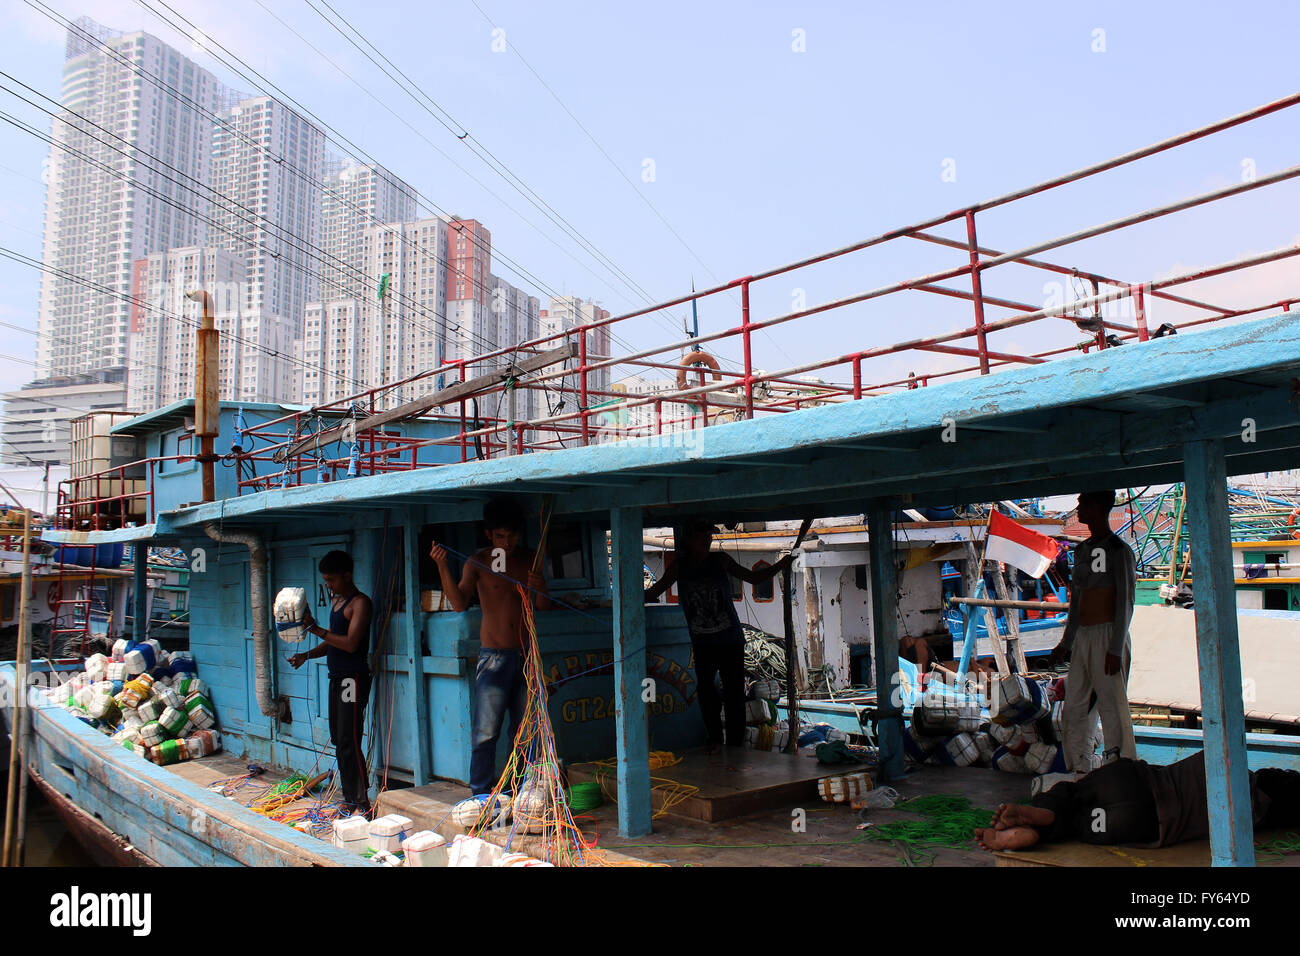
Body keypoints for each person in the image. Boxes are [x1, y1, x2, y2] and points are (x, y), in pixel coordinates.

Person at [645, 518, 811, 752]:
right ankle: (714, 738)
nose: (708, 540)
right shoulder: (679, 567)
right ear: (690, 541)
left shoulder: (720, 560)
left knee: (733, 692)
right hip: (702, 641)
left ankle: (735, 743)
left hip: (730, 639)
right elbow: (654, 591)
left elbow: (754, 578)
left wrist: (780, 565)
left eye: (709, 536)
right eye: (703, 536)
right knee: (705, 690)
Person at [429, 498, 551, 811]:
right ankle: (481, 795)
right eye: (500, 537)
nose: (506, 543)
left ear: (519, 534)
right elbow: (458, 603)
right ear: (489, 535)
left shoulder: (530, 559)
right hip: (494, 656)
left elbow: (543, 607)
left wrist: (541, 587)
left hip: (527, 657)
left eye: (511, 536)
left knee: (524, 730)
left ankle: (519, 792)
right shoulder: (477, 562)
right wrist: (442, 564)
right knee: (485, 731)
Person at [974, 752, 1300, 852]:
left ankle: (1042, 817)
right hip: (1137, 791)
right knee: (1076, 799)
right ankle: (1042, 814)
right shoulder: (1260, 793)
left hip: (1129, 809)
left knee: (1074, 810)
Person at [1048, 489, 1137, 773]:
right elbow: (1079, 601)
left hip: (1108, 634)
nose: (1077, 506)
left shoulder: (1118, 551)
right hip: (1084, 637)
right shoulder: (1082, 550)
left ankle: (1121, 768)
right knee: (1074, 706)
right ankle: (1079, 768)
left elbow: (1126, 601)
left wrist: (1115, 646)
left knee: (1112, 706)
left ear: (1098, 507)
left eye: (1083, 502)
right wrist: (1067, 641)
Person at [289, 550, 374, 814]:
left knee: (349, 738)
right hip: (336, 677)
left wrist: (314, 629)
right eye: (326, 580)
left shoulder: (360, 603)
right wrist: (307, 655)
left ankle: (362, 801)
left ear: (347, 575)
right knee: (339, 738)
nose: (328, 585)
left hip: (352, 679)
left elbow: (349, 644)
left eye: (332, 580)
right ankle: (350, 797)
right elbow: (333, 642)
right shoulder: (337, 601)